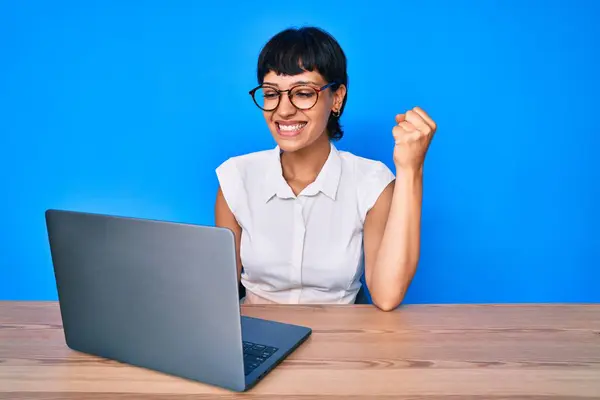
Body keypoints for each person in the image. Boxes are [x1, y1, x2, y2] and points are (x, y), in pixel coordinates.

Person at [214, 26, 437, 311]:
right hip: (256, 339)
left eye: (303, 93)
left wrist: (411, 170)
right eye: (271, 93)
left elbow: (387, 294)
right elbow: (220, 294)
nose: (283, 110)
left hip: (339, 341)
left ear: (337, 97)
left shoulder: (371, 182)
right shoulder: (236, 179)